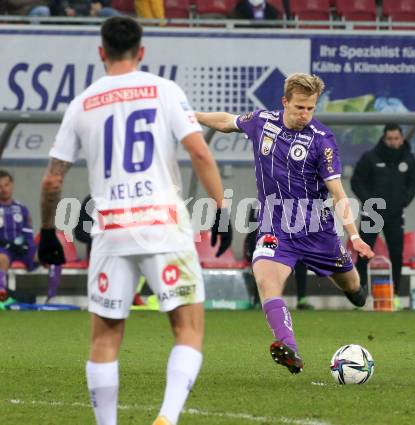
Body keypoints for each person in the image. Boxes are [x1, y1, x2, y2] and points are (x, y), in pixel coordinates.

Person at [38, 16, 232, 425]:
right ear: (141, 52)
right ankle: (167, 416)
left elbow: (53, 178)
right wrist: (220, 207)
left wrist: (45, 230)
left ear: (100, 52)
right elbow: (200, 152)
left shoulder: (82, 103)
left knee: (105, 337)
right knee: (188, 327)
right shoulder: (164, 91)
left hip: (110, 230)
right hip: (163, 225)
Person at [196, 73, 374, 375]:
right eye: (299, 107)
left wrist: (354, 236)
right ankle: (288, 347)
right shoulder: (263, 121)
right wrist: (191, 116)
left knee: (354, 289)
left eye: (311, 109)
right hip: (275, 229)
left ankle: (357, 290)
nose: (305, 114)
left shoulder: (322, 140)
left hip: (318, 232)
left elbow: (338, 192)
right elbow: (227, 121)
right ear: (285, 102)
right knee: (267, 282)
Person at [351, 123, 415, 309]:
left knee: (396, 256)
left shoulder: (409, 159)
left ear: (402, 138)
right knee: (364, 254)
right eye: (389, 139)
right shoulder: (370, 157)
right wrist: (369, 202)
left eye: (396, 139)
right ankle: (360, 294)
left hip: (395, 215)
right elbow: (357, 182)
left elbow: (413, 184)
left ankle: (394, 295)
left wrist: (402, 201)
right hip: (372, 213)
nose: (393, 142)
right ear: (383, 138)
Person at [244, 205, 314, 310]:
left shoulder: (289, 203)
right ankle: (258, 300)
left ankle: (302, 299)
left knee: (301, 261)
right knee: (262, 262)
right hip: (265, 241)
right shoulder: (257, 205)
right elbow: (252, 230)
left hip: (286, 240)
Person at [0, 170, 38, 307]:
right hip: (3, 250)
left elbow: (28, 232)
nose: (4, 189)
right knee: (2, 258)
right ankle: (2, 291)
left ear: (12, 185)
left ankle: (51, 297)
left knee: (50, 255)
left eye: (6, 185)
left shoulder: (21, 208)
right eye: (0, 186)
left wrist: (27, 246)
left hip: (21, 249)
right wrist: (8, 244)